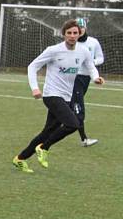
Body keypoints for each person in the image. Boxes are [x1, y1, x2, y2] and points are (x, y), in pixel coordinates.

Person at [13, 19, 104, 173]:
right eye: (69, 33)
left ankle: (20, 159)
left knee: (47, 132)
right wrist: (35, 88)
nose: (72, 36)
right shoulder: (53, 50)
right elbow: (32, 66)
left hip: (66, 97)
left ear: (79, 33)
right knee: (73, 124)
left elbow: (90, 66)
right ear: (64, 34)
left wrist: (96, 77)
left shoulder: (83, 51)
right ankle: (43, 148)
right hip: (51, 95)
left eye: (75, 33)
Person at [72, 18, 104, 147]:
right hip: (73, 77)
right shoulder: (70, 42)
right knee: (79, 107)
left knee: (70, 106)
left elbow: (101, 58)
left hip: (86, 78)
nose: (79, 31)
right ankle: (84, 139)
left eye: (81, 28)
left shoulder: (93, 42)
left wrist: (91, 62)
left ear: (85, 28)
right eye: (77, 29)